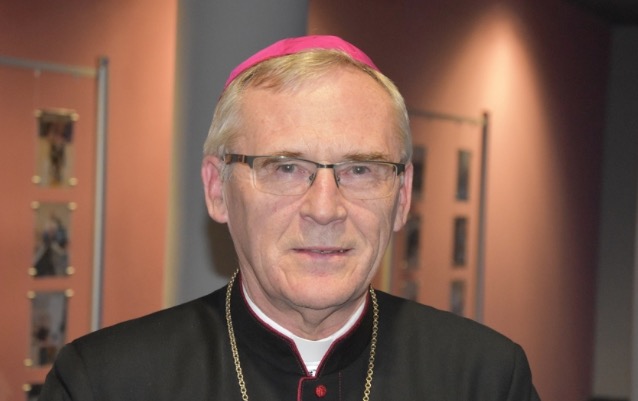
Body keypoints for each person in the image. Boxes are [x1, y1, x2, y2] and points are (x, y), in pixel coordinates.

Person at [40, 35, 541, 400]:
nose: (325, 209)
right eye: (285, 168)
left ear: (402, 196)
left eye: (360, 170)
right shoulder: (103, 382)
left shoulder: (486, 378)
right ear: (217, 189)